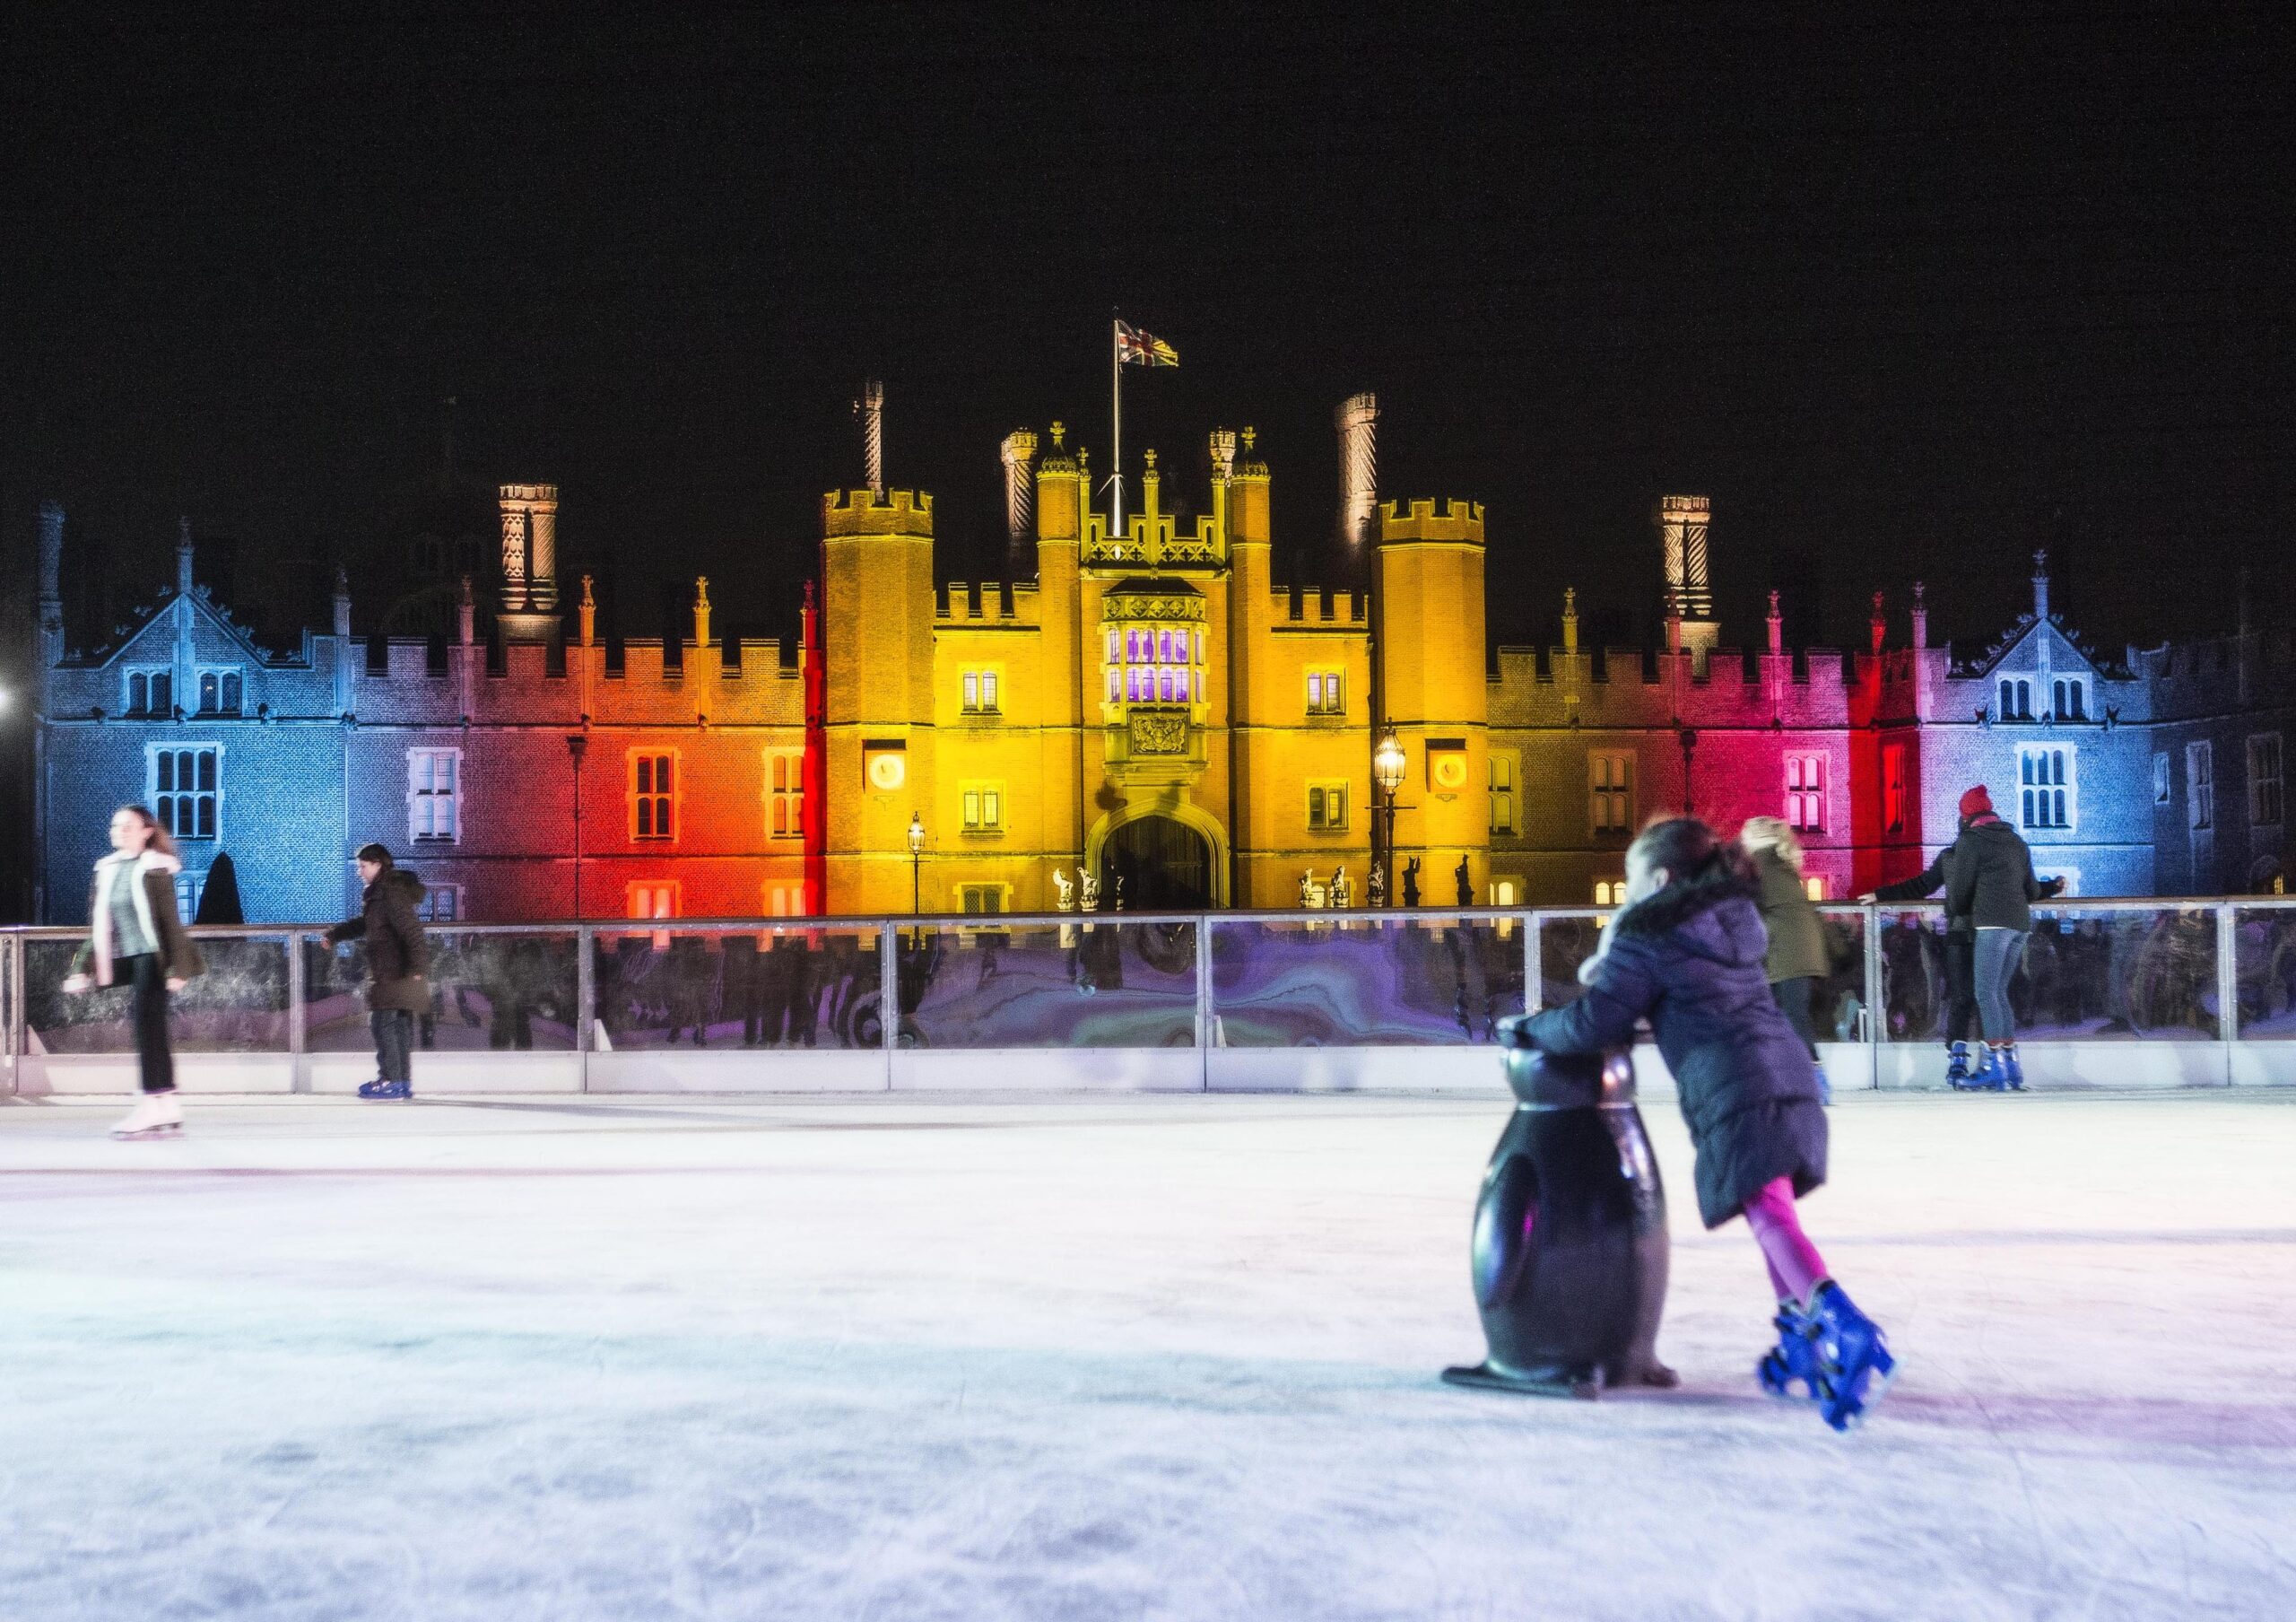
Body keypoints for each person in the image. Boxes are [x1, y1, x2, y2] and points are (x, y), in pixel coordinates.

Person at [1521, 817, 1895, 1430]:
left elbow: (1597, 1022)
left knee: (1770, 1214)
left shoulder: (1653, 932)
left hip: (1736, 1086)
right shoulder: (1731, 921)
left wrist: (1532, 1026)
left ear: (1662, 879)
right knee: (1772, 1210)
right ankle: (1800, 1337)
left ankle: (1842, 1325)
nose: (1628, 892)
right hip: (1788, 1072)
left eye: (1631, 880)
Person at [64, 806, 207, 1137]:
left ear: (146, 831)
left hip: (152, 957)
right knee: (151, 1029)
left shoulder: (155, 870)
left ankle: (150, 1106)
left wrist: (177, 966)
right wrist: (80, 968)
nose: (119, 830)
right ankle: (167, 1102)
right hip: (127, 957)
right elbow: (99, 928)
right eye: (116, 825)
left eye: (128, 826)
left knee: (148, 1029)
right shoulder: (108, 870)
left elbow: (171, 923)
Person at [1944, 785, 2050, 1089]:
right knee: (1999, 993)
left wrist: (1956, 908)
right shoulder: (2016, 842)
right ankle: (2011, 1067)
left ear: (1967, 816)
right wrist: (2051, 887)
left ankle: (1994, 1066)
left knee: (1985, 993)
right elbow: (2032, 890)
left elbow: (1961, 891)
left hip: (1991, 925)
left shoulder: (1971, 841)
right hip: (2020, 924)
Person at [325, 843, 430, 1100]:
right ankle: (401, 1080)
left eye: (363, 866)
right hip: (396, 968)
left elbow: (411, 930)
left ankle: (391, 1079)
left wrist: (417, 967)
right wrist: (336, 934)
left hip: (393, 970)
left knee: (384, 1024)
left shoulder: (389, 892)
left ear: (377, 864)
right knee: (399, 1026)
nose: (359, 871)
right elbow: (368, 924)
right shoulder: (382, 894)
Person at [1740, 816, 1832, 1102]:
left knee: (1785, 1017)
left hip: (1786, 952)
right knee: (1788, 1016)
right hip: (1797, 951)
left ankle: (1812, 1083)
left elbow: (1746, 904)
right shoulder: (1780, 863)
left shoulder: (1760, 864)